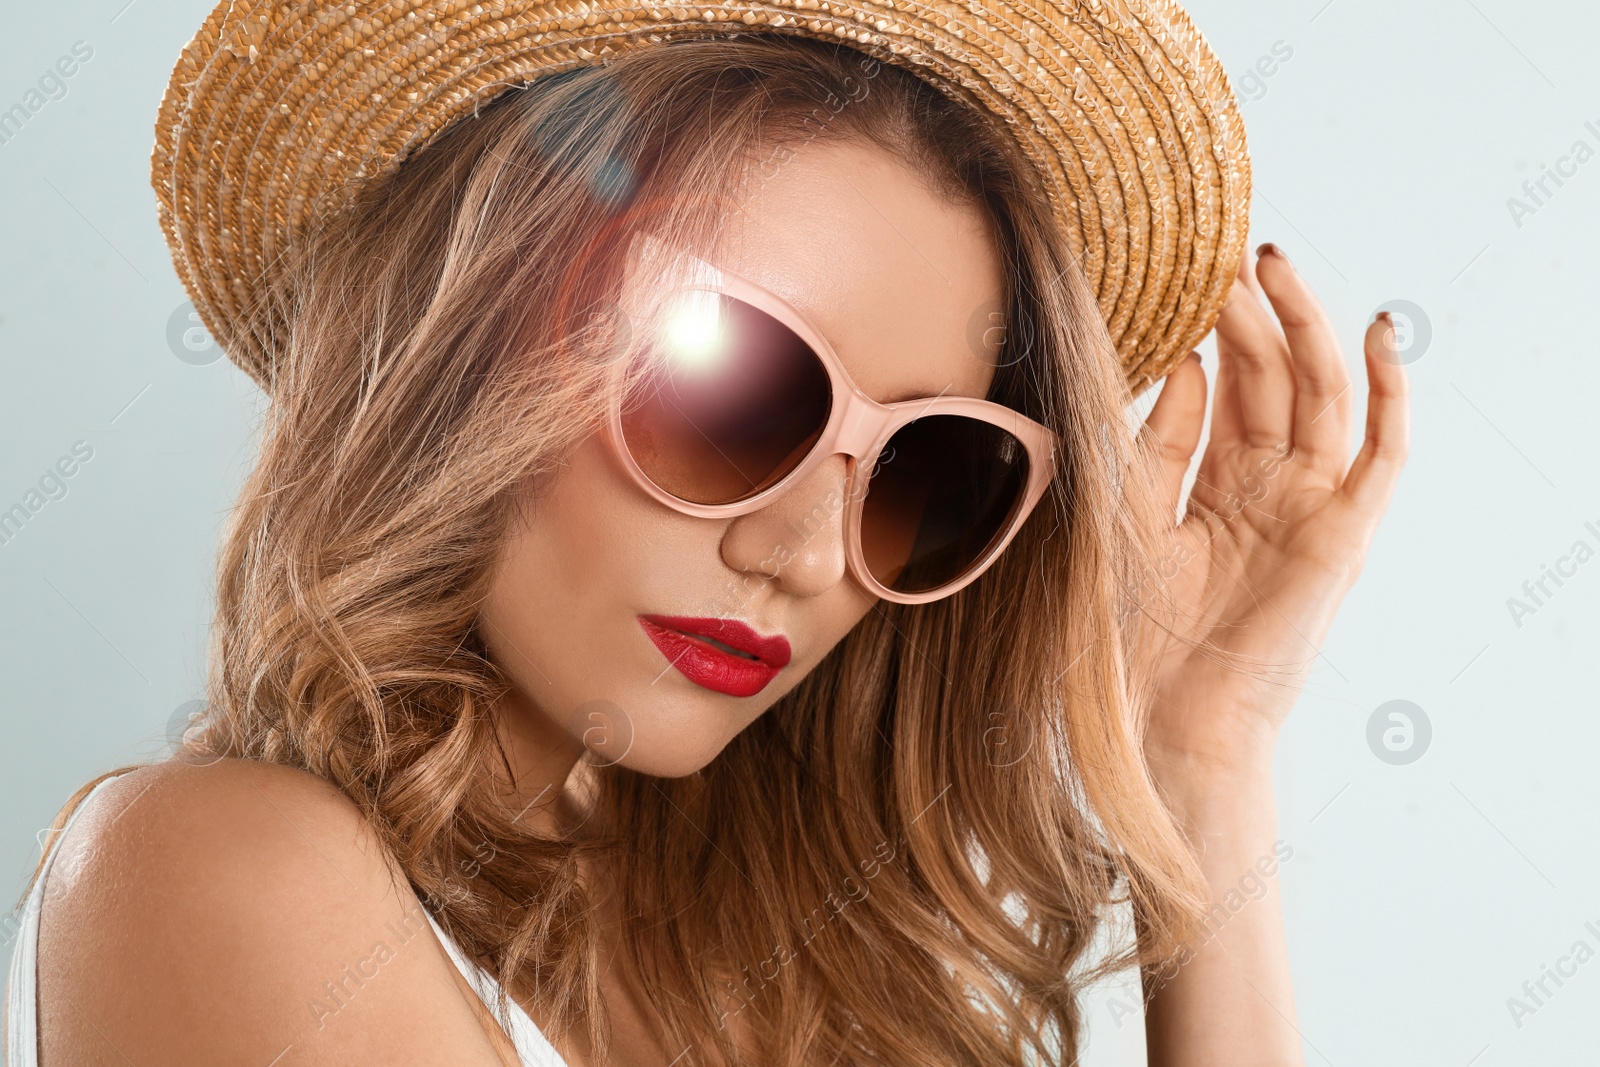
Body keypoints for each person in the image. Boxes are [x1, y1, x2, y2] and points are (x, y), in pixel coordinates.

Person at [5, 6, 1408, 1066]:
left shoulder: (794, 987)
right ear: (462, 349)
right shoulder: (218, 873)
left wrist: (1202, 761)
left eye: (926, 469)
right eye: (733, 389)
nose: (803, 552)